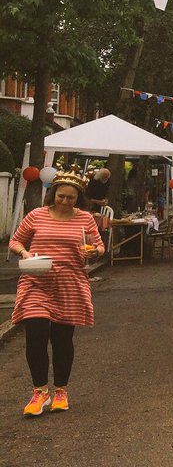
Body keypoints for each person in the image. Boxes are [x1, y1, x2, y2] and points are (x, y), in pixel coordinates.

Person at [9, 169, 104, 417]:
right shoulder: (36, 215)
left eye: (71, 198)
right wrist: (24, 253)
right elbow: (15, 241)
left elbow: (99, 246)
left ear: (78, 198)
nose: (65, 201)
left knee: (62, 339)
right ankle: (40, 392)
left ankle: (61, 390)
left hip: (69, 283)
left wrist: (94, 252)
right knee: (36, 334)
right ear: (53, 194)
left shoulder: (85, 219)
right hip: (36, 281)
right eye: (61, 196)